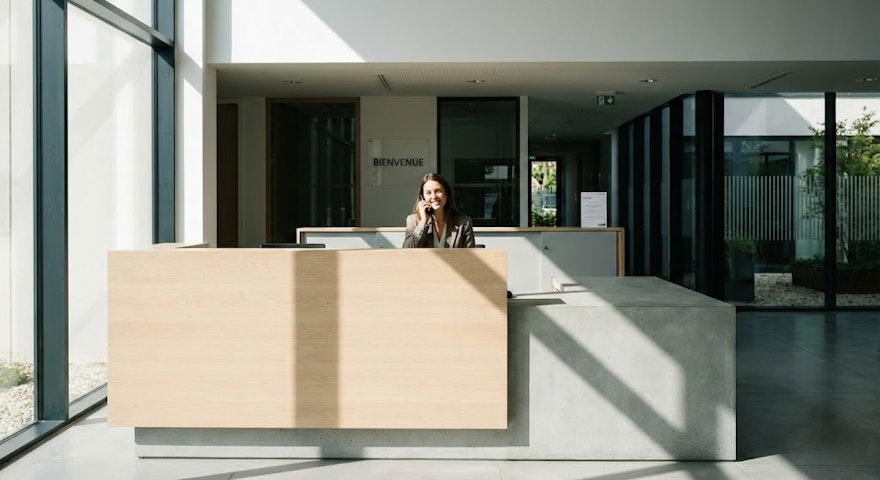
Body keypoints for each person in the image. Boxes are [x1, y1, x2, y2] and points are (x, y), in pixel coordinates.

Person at [403, 173, 476, 248]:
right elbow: (407, 250)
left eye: (438, 191)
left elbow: (470, 256)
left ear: (447, 194)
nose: (434, 196)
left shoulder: (464, 223)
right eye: (428, 193)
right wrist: (423, 223)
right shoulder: (413, 220)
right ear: (422, 197)